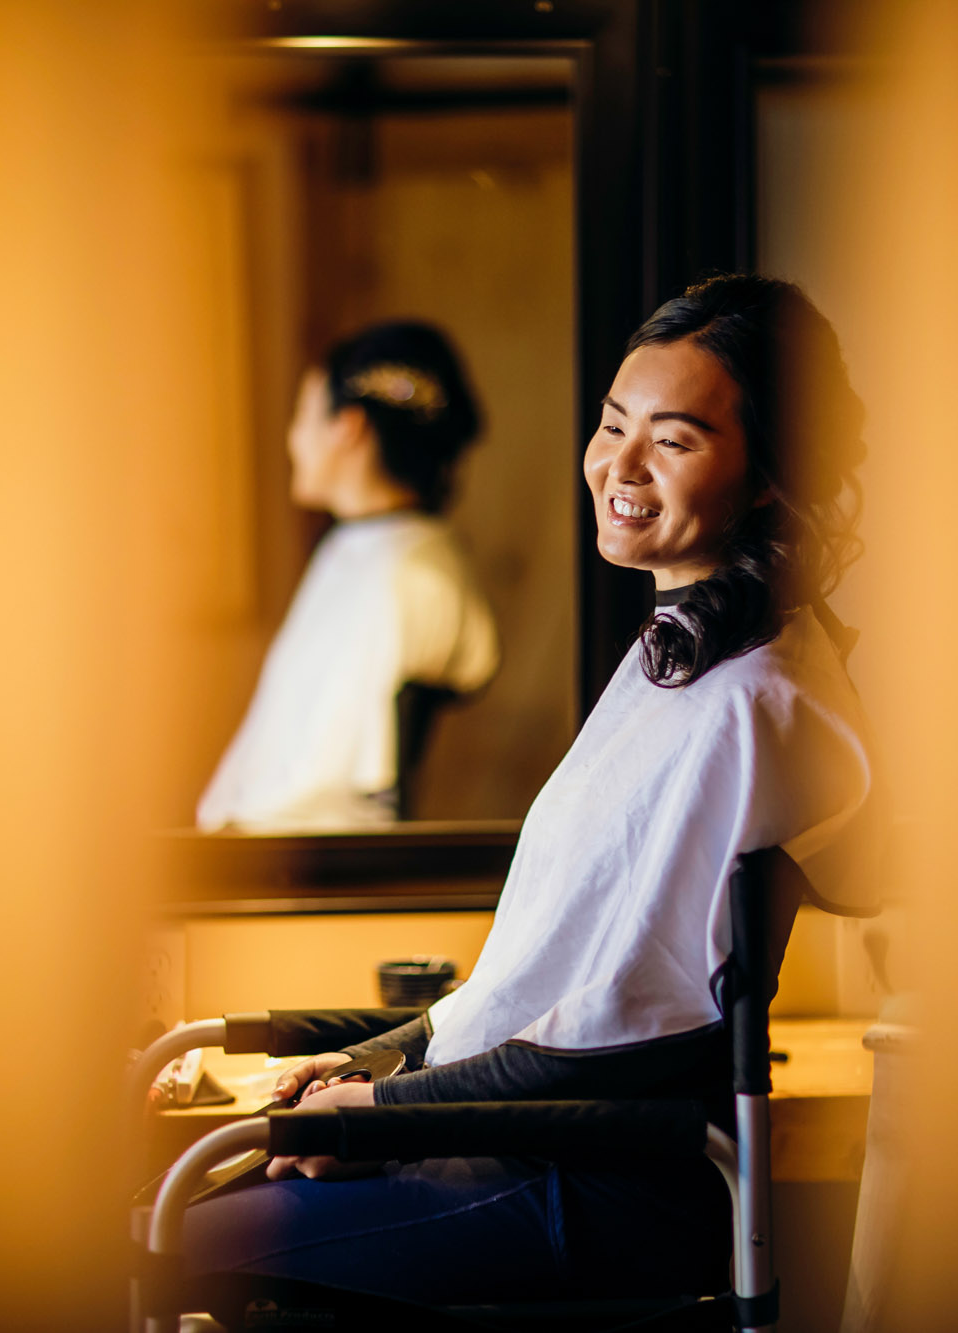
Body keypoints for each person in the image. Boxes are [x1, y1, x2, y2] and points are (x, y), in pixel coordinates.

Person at [181, 275, 881, 1308]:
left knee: (168, 1236)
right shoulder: (678, 653)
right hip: (517, 1145)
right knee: (200, 1193)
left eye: (673, 439)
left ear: (776, 472)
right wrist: (376, 1063)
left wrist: (383, 1107)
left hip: (583, 1183)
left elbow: (607, 1034)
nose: (620, 466)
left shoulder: (752, 702)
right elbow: (529, 983)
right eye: (611, 425)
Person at [196, 321, 500, 831]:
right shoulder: (355, 549)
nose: (293, 439)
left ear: (349, 427)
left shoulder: (411, 576)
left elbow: (328, 791)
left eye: (302, 417)